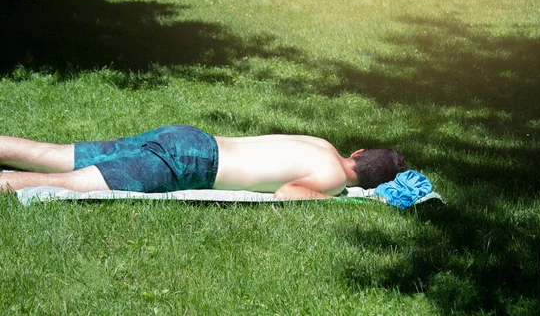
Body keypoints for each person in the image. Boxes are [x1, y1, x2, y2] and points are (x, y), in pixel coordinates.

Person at [0, 125, 407, 199]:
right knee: (73, 183)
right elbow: (288, 192)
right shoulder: (335, 180)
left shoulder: (321, 143)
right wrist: (334, 199)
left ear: (358, 152)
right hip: (192, 164)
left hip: (190, 137)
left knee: (53, 154)